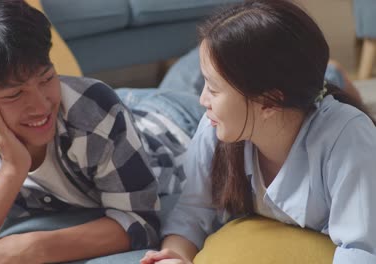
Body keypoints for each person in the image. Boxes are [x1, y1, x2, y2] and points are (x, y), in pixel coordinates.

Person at [0, 1, 206, 263]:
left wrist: (31, 247)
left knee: (212, 67)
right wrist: (12, 169)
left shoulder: (96, 112)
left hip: (169, 122)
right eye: (15, 95)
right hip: (115, 109)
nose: (40, 105)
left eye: (47, 78)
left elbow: (141, 222)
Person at [140, 0, 376, 263]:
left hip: (176, 119)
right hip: (167, 111)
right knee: (168, 89)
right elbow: (191, 214)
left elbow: (361, 249)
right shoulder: (214, 125)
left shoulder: (348, 139)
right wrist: (175, 256)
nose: (203, 99)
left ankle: (335, 72)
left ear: (269, 101)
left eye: (214, 90)